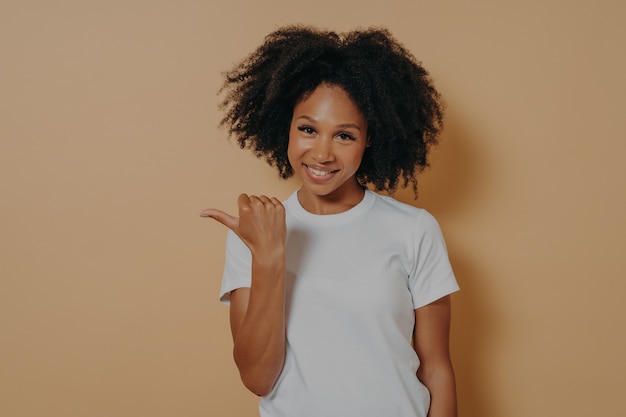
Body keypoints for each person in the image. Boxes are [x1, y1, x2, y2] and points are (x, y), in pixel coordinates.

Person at [201, 25, 460, 417]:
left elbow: (437, 368)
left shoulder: (414, 229)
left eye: (344, 135)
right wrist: (269, 255)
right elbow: (258, 378)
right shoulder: (256, 233)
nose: (322, 153)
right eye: (308, 129)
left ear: (371, 138)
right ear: (284, 124)